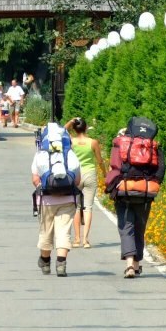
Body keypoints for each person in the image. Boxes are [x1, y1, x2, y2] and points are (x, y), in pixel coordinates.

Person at [104, 117, 165, 278]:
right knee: (140, 227)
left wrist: (111, 186)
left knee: (126, 227)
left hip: (124, 190)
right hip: (145, 192)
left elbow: (114, 168)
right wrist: (152, 183)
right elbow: (160, 170)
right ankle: (137, 265)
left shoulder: (121, 144)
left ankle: (129, 265)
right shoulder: (153, 146)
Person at [31, 122, 82, 277]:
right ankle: (61, 264)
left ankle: (45, 261)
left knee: (46, 231)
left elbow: (35, 179)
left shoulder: (41, 154)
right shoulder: (70, 154)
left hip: (46, 201)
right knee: (64, 231)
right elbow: (77, 180)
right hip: (67, 199)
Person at [65, 117, 104, 248]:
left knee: (76, 207)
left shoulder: (71, 141)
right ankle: (85, 240)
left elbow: (62, 131)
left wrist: (71, 121)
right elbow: (99, 161)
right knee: (88, 207)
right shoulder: (93, 142)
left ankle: (76, 239)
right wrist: (105, 173)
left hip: (76, 173)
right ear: (86, 128)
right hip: (90, 174)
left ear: (75, 129)